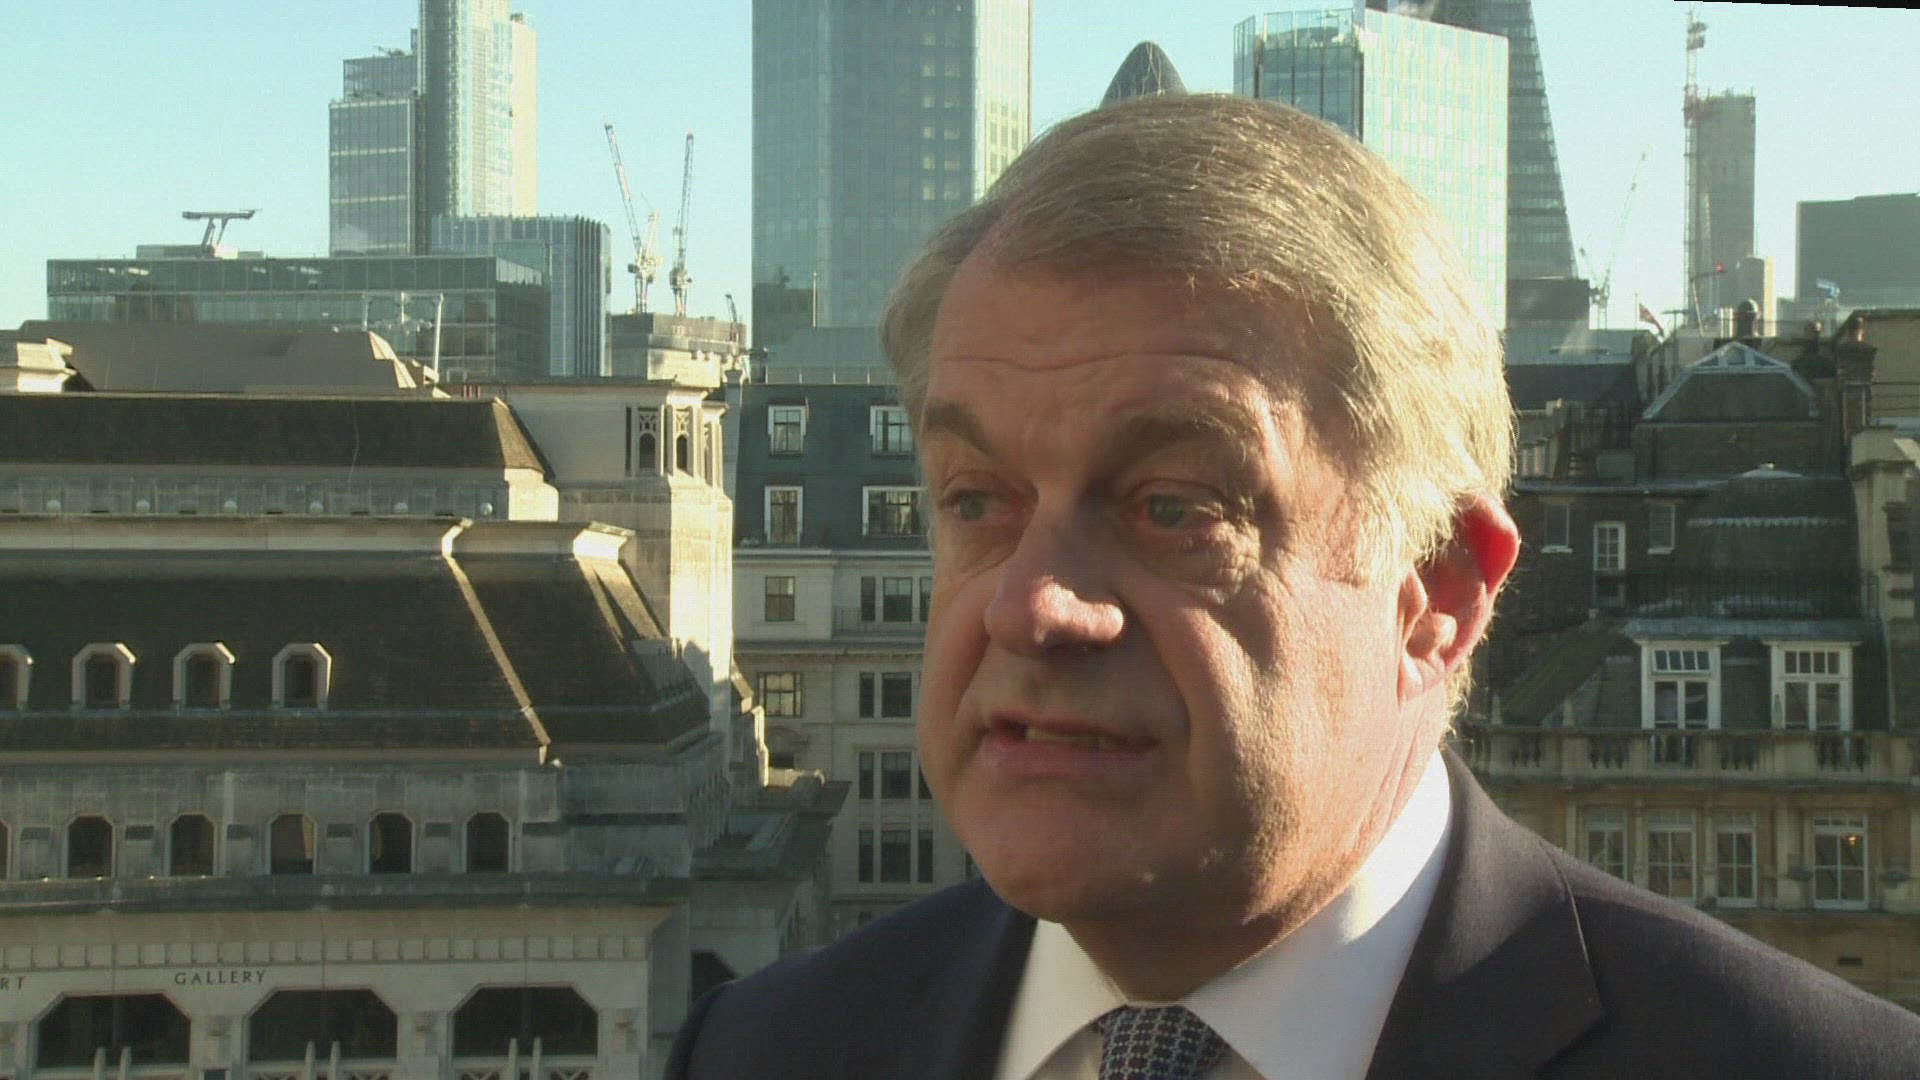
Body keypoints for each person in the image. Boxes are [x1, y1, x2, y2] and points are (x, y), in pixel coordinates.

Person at [669, 94, 1920, 1079]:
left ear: (1437, 589)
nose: (1030, 606)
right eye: (975, 500)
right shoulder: (766, 1049)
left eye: (1174, 506)